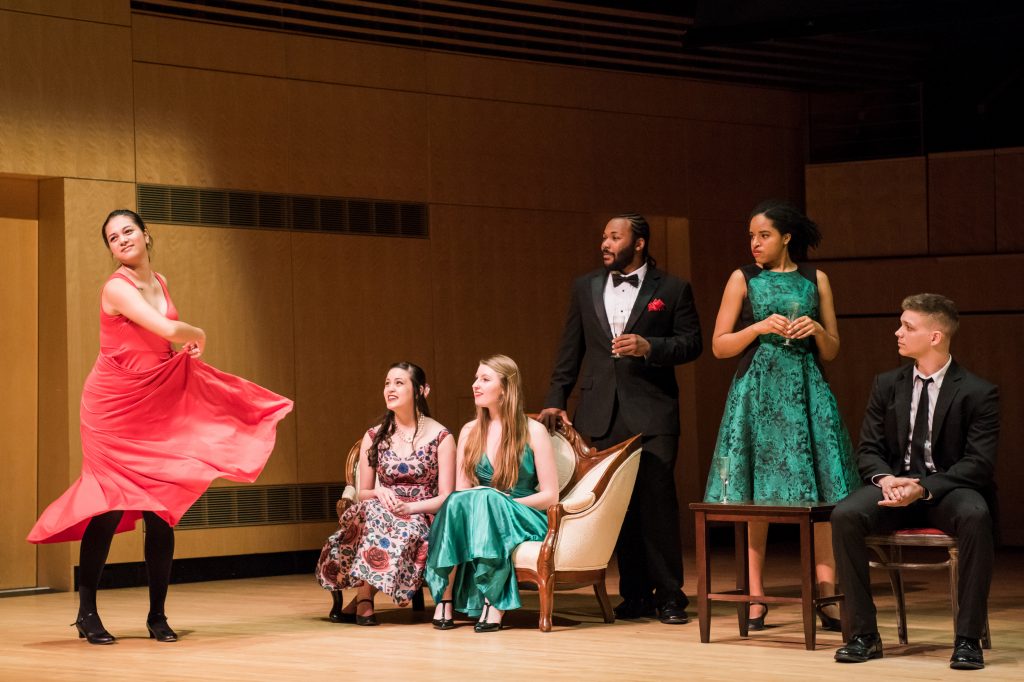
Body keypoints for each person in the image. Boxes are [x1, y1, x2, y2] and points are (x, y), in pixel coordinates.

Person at [27, 209, 293, 644]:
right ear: (111, 249)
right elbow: (167, 326)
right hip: (112, 408)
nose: (123, 240)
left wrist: (179, 351)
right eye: (114, 238)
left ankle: (157, 615)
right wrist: (197, 333)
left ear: (146, 235)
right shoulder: (116, 287)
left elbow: (160, 340)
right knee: (108, 506)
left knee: (161, 509)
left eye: (128, 231)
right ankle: (87, 612)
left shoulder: (161, 280)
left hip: (153, 402)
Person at [702, 199, 859, 631]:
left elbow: (832, 349)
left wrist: (817, 331)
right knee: (756, 494)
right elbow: (719, 345)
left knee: (823, 491)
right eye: (751, 236)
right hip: (758, 390)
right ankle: (754, 595)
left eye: (764, 235)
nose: (755, 243)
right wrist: (758, 327)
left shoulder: (816, 279)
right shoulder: (743, 278)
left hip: (806, 389)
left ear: (786, 237)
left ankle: (827, 592)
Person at [539, 213, 702, 625]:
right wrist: (556, 397)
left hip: (652, 412)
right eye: (604, 236)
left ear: (639, 242)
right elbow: (569, 348)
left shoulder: (673, 288)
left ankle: (669, 596)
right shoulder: (585, 286)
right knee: (617, 505)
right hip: (599, 412)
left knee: (656, 504)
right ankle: (634, 596)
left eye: (615, 236)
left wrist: (651, 346)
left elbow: (692, 343)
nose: (606, 243)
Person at [832, 294, 998, 670]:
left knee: (976, 515)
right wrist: (888, 479)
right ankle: (864, 635)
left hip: (946, 491)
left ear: (935, 336)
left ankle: (968, 639)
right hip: (893, 489)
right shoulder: (887, 384)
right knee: (845, 515)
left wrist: (922, 488)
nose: (898, 332)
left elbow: (978, 464)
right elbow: (869, 449)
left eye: (908, 326)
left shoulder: (978, 391)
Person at [425, 355, 559, 632]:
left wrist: (502, 503)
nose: (475, 384)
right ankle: (445, 599)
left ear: (506, 388)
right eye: (476, 378)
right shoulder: (469, 431)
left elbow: (550, 495)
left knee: (487, 498)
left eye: (485, 379)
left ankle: (494, 601)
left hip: (524, 513)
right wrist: (488, 503)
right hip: (482, 512)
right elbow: (462, 492)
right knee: (458, 501)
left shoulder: (534, 431)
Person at [315, 362, 455, 625]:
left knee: (388, 520)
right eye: (387, 383)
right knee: (370, 512)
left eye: (399, 383)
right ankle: (365, 597)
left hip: (421, 512)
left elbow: (447, 497)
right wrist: (379, 493)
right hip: (381, 507)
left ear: (421, 391)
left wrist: (411, 508)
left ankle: (363, 599)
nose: (390, 388)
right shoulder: (374, 435)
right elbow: (363, 492)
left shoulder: (441, 436)